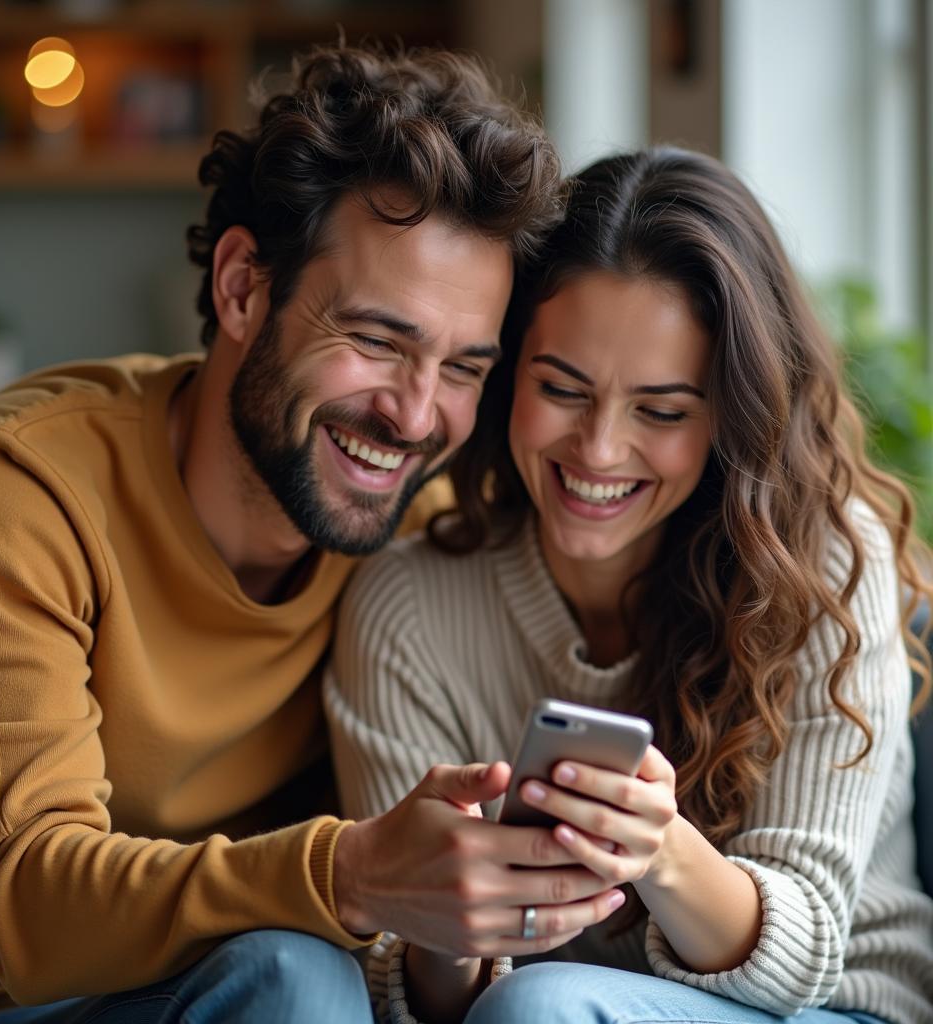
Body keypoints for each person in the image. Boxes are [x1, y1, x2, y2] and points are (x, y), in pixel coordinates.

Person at [0, 43, 615, 1024]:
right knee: (295, 974)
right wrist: (349, 872)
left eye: (463, 368)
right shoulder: (21, 490)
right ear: (242, 287)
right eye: (377, 339)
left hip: (255, 991)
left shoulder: (422, 523)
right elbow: (29, 910)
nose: (416, 417)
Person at [326, 147, 933, 1024]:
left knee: (544, 1009)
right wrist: (441, 917)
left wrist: (659, 852)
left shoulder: (824, 571)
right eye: (561, 388)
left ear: (732, 417)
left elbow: (801, 956)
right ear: (503, 377)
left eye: (661, 411)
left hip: (836, 1006)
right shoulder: (408, 609)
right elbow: (408, 1000)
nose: (599, 451)